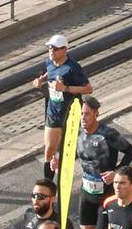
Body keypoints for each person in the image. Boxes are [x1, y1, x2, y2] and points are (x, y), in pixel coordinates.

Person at [73, 97, 132, 229]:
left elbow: (130, 151)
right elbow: (74, 155)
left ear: (95, 114)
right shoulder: (77, 133)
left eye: (87, 114)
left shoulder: (108, 134)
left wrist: (116, 172)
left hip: (106, 194)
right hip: (87, 192)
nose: (83, 118)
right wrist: (58, 162)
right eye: (81, 115)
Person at [36, 34, 92, 176]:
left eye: (55, 49)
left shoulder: (72, 68)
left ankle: (63, 180)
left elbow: (88, 88)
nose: (51, 51)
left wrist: (66, 88)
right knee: (49, 150)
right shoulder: (49, 61)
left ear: (64, 50)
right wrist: (41, 80)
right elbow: (50, 71)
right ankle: (48, 186)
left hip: (70, 113)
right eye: (49, 48)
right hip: (53, 112)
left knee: (70, 151)